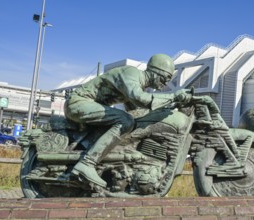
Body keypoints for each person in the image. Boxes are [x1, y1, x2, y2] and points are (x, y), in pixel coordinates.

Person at [64, 54, 191, 187]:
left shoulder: (136, 84)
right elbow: (139, 99)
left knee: (130, 120)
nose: (166, 83)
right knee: (125, 120)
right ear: (156, 71)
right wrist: (173, 97)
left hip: (86, 105)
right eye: (166, 78)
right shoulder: (131, 73)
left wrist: (169, 107)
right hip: (78, 103)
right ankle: (87, 163)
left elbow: (135, 110)